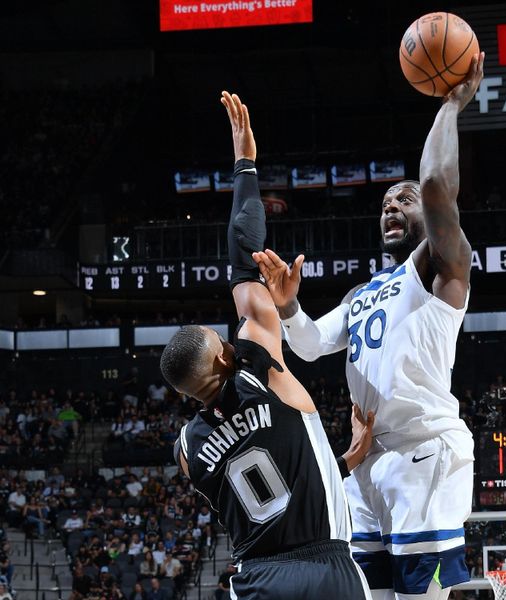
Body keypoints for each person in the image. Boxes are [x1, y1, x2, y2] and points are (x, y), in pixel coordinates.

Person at [254, 53, 485, 600]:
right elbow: (309, 348)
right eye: (384, 202)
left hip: (424, 450)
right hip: (368, 459)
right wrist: (289, 309)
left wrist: (452, 105)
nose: (391, 206)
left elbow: (433, 184)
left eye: (401, 200)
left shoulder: (440, 265)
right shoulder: (362, 293)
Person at [160, 92, 373, 599]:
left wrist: (339, 464)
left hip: (257, 580)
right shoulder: (258, 370)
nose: (227, 338)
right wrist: (245, 165)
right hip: (328, 571)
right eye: (220, 338)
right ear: (220, 356)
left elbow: (267, 487)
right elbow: (245, 254)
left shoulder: (187, 451)